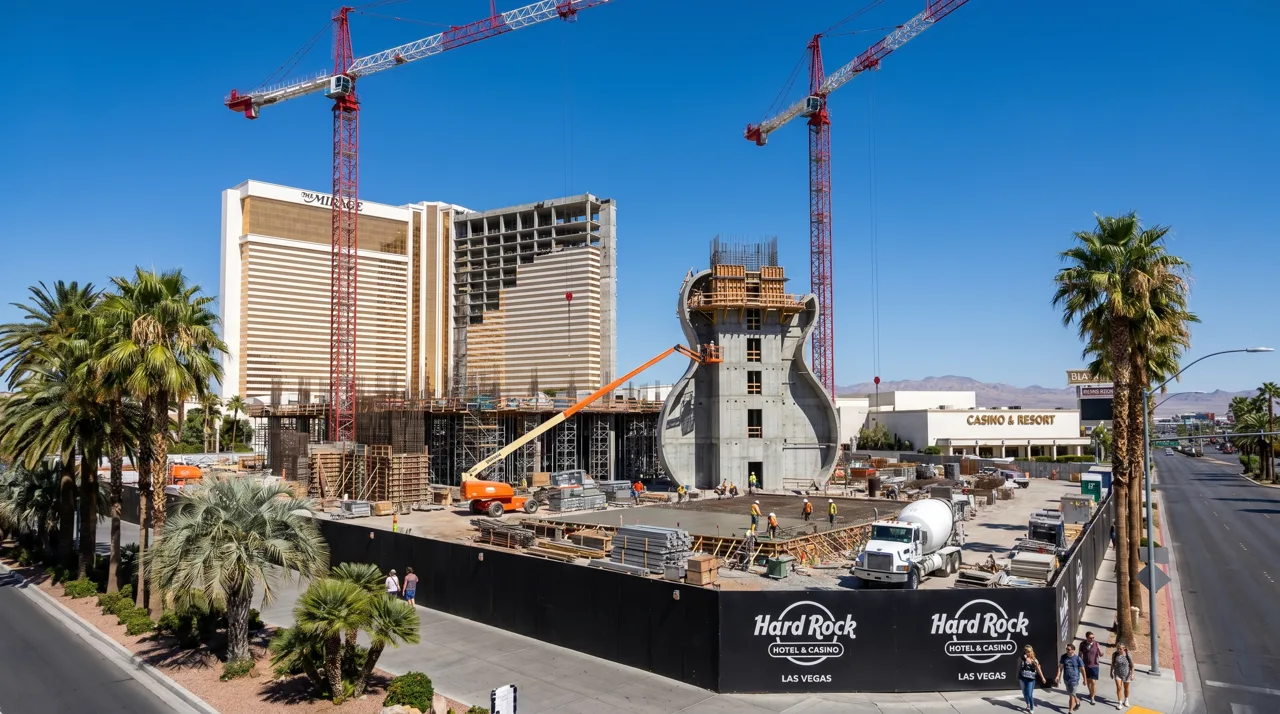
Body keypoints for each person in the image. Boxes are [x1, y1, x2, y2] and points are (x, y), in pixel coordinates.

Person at [1016, 645, 1047, 713]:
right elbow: (1018, 666)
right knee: (1024, 693)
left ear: (1032, 651)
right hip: (1022, 678)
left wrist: (1042, 677)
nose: (1028, 653)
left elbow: (1038, 669)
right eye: (1026, 652)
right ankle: (1028, 704)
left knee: (1029, 694)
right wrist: (1017, 675)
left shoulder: (1034, 660)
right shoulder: (1021, 658)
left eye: (1029, 652)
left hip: (1030, 679)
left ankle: (1032, 708)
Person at [1056, 643, 1086, 713]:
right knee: (1071, 693)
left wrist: (1085, 680)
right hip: (1066, 679)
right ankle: (1077, 702)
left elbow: (1082, 669)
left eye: (1069, 649)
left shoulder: (1078, 658)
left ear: (1073, 650)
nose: (1067, 650)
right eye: (1066, 649)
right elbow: (1060, 667)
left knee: (1071, 696)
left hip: (1074, 679)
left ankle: (1070, 711)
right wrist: (1058, 676)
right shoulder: (1063, 657)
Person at [1079, 631, 1103, 705]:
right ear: (1087, 638)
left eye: (1093, 637)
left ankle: (1093, 698)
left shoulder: (1096, 644)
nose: (1092, 639)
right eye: (1090, 638)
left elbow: (1101, 654)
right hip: (1086, 665)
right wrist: (1080, 664)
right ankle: (1090, 693)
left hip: (1094, 665)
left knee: (1093, 681)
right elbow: (1080, 655)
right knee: (1088, 681)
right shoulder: (1082, 644)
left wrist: (1099, 650)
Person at [1110, 643, 1134, 708]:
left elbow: (1132, 665)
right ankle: (1120, 702)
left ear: (1124, 649)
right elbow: (1112, 664)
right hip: (1117, 673)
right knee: (1119, 687)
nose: (1118, 650)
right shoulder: (1115, 654)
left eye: (1120, 649)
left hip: (1126, 673)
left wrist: (1132, 674)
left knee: (1126, 688)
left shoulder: (1128, 655)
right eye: (1118, 648)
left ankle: (1126, 700)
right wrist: (1111, 672)